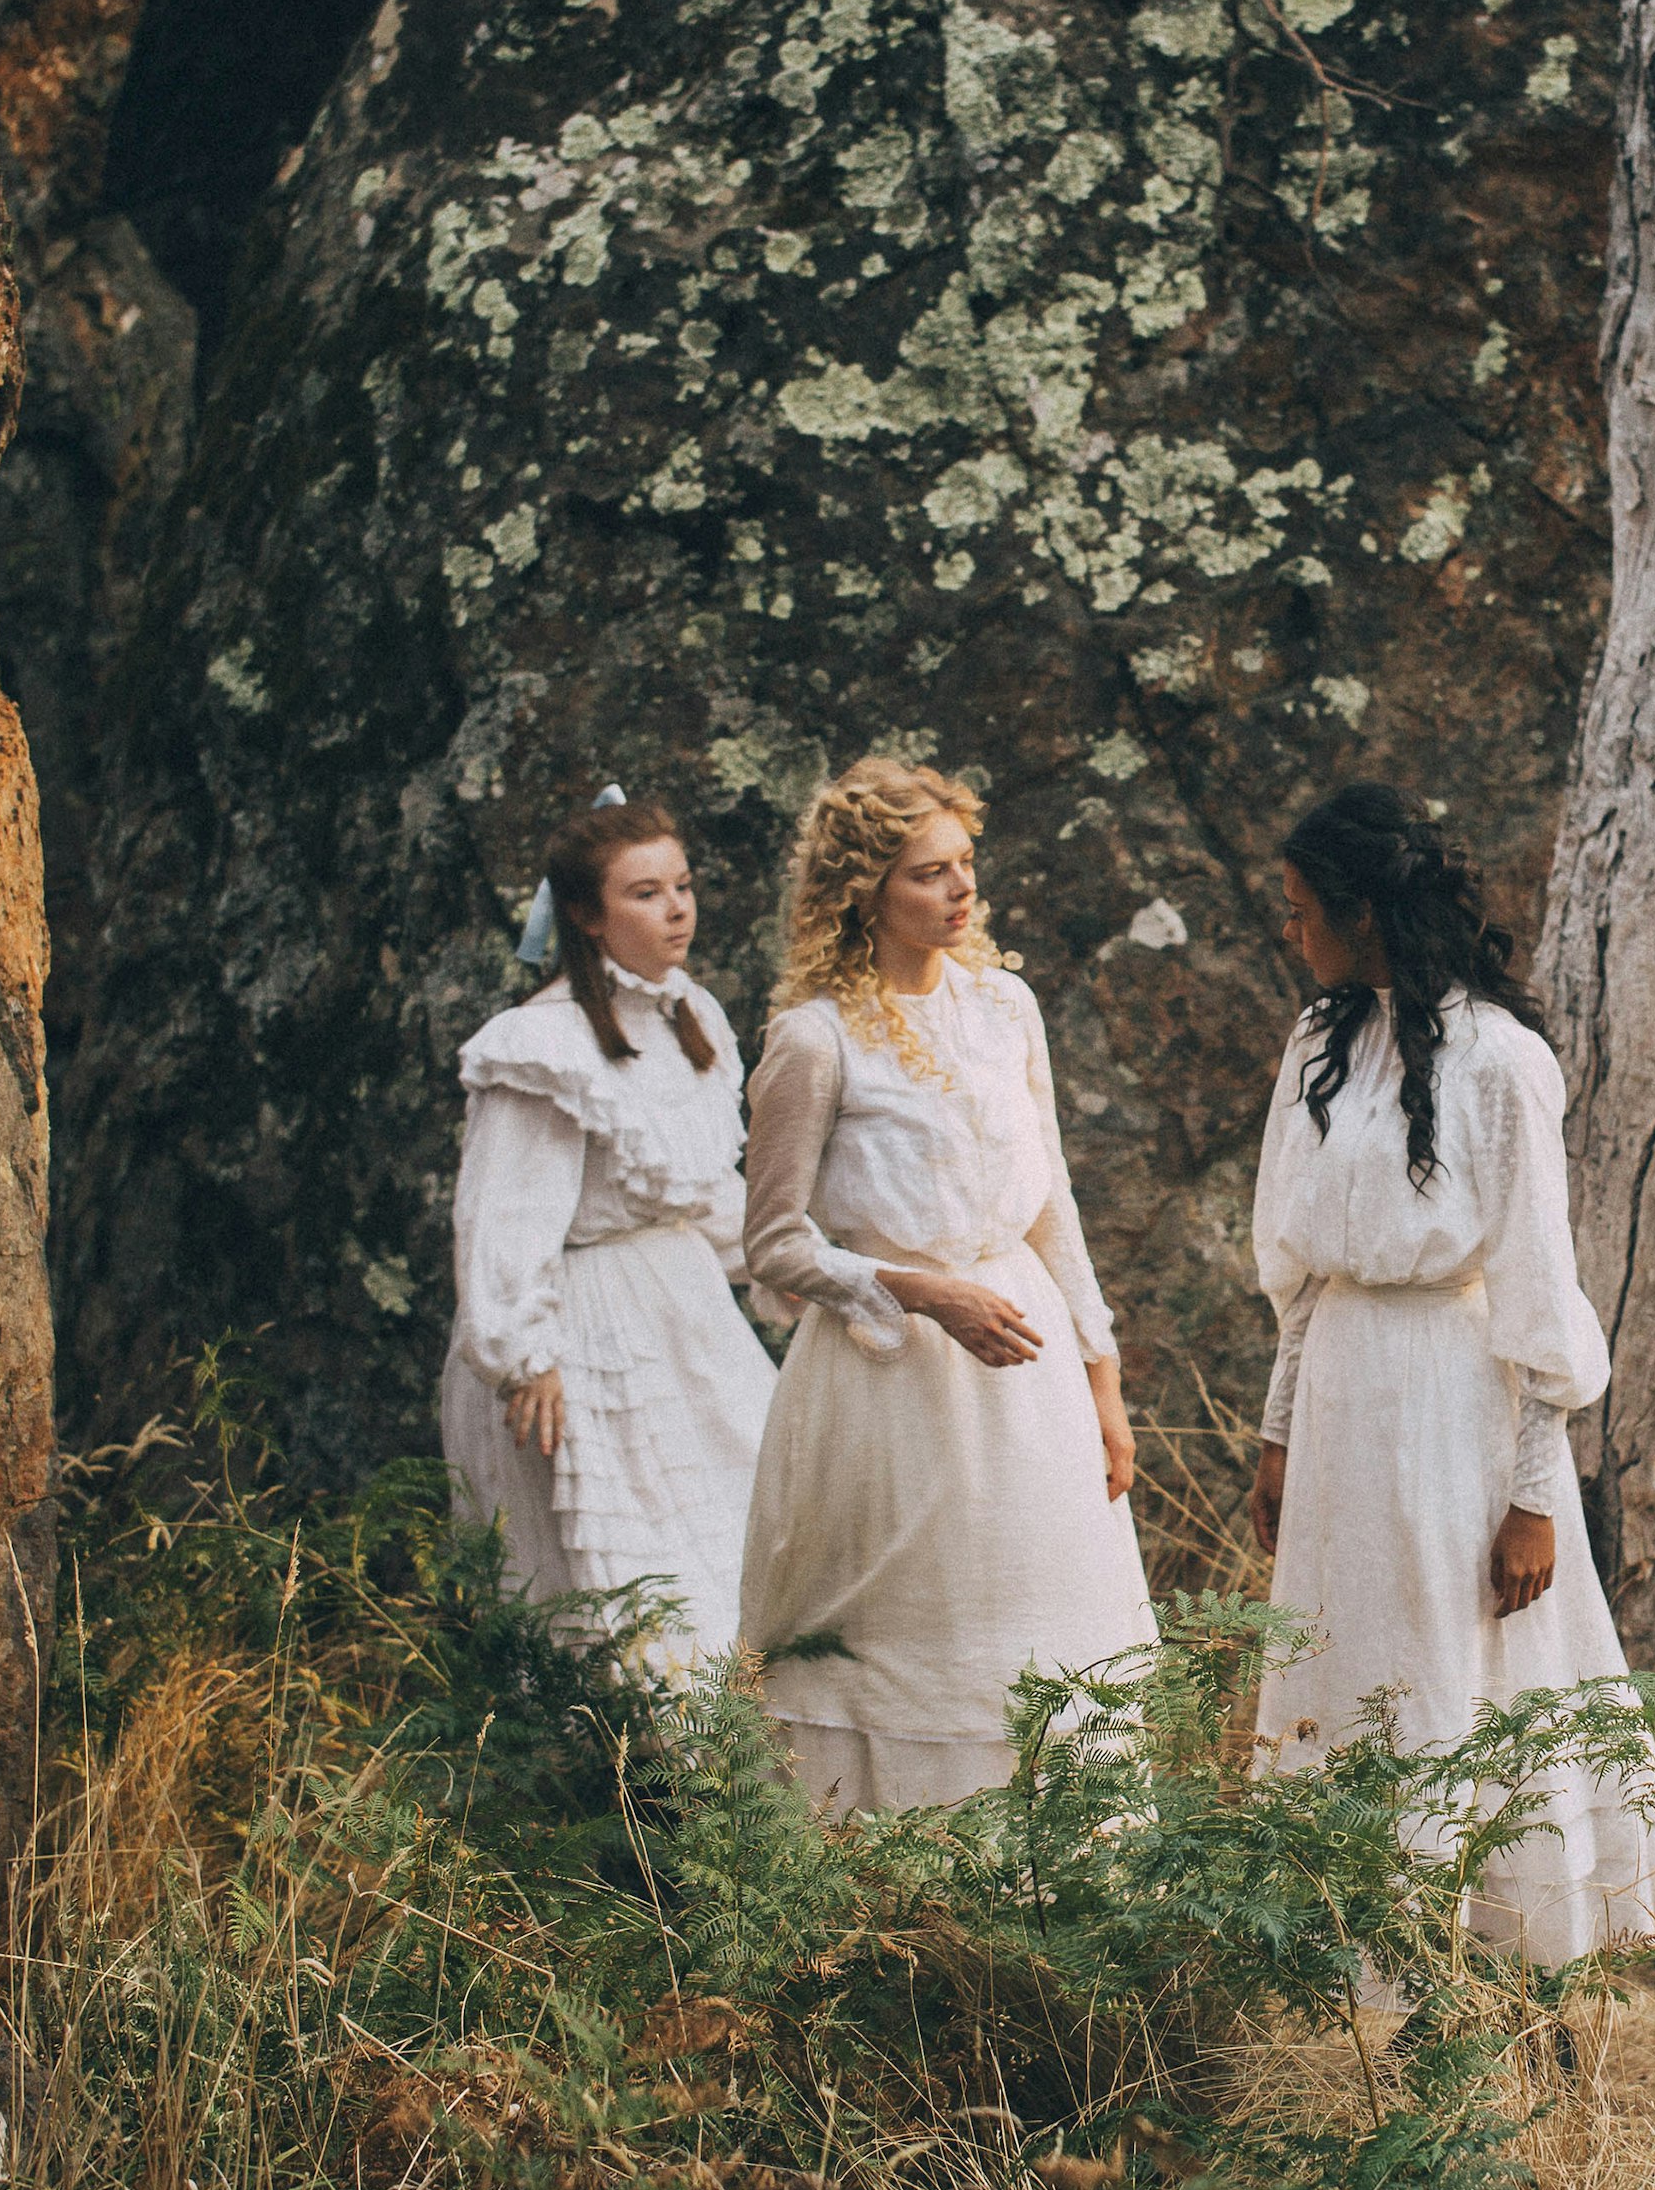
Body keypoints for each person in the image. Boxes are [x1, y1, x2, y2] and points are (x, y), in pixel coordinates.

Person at [1248, 786, 1655, 1963]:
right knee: (1345, 1655)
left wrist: (1537, 1493)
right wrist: (1279, 1426)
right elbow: (1295, 1266)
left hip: (1451, 1398)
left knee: (1461, 1663)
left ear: (1364, 910)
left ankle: (1492, 1951)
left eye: (1304, 915)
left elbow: (1538, 1287)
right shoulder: (1321, 1044)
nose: (1294, 937)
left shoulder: (1502, 1063)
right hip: (1343, 1382)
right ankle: (1364, 1952)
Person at [735, 757, 1153, 1810]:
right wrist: (921, 1290)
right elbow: (774, 1241)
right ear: (864, 889)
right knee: (912, 1634)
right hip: (891, 1383)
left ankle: (1067, 1877)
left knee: (1044, 1617)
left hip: (1029, 1366)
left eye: (965, 864)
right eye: (928, 872)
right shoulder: (815, 1038)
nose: (960, 890)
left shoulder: (1006, 1008)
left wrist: (1102, 1378)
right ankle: (894, 1888)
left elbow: (1051, 1198)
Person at [442, 794, 779, 1687]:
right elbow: (503, 1215)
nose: (676, 909)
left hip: (685, 1311)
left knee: (754, 1519)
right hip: (581, 1327)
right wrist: (525, 1354)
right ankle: (637, 1789)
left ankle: (766, 1784)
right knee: (626, 1576)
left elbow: (699, 1191)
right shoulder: (542, 1047)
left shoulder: (686, 1016)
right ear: (587, 916)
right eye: (644, 893)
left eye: (683, 886)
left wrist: (790, 1265)